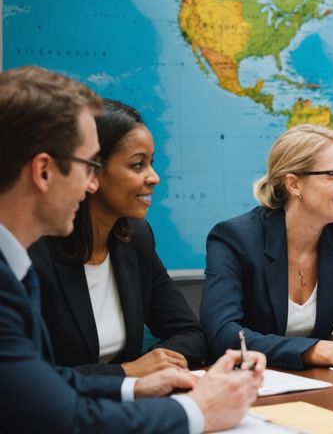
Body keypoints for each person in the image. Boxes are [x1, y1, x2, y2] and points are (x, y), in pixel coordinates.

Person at [0, 66, 264, 433]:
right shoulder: (17, 264)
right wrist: (198, 411)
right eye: (86, 166)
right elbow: (57, 415)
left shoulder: (14, 260)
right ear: (43, 171)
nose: (89, 183)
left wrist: (133, 385)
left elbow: (41, 382)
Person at [201, 124, 333, 370]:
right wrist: (321, 351)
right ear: (294, 184)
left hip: (315, 386)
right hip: (250, 386)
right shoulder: (234, 238)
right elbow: (222, 335)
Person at [28, 100, 206, 376]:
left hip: (125, 408)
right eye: (137, 165)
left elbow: (190, 333)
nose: (154, 177)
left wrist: (152, 367)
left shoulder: (136, 238)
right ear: (91, 171)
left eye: (151, 163)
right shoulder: (34, 250)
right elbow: (28, 376)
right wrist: (127, 373)